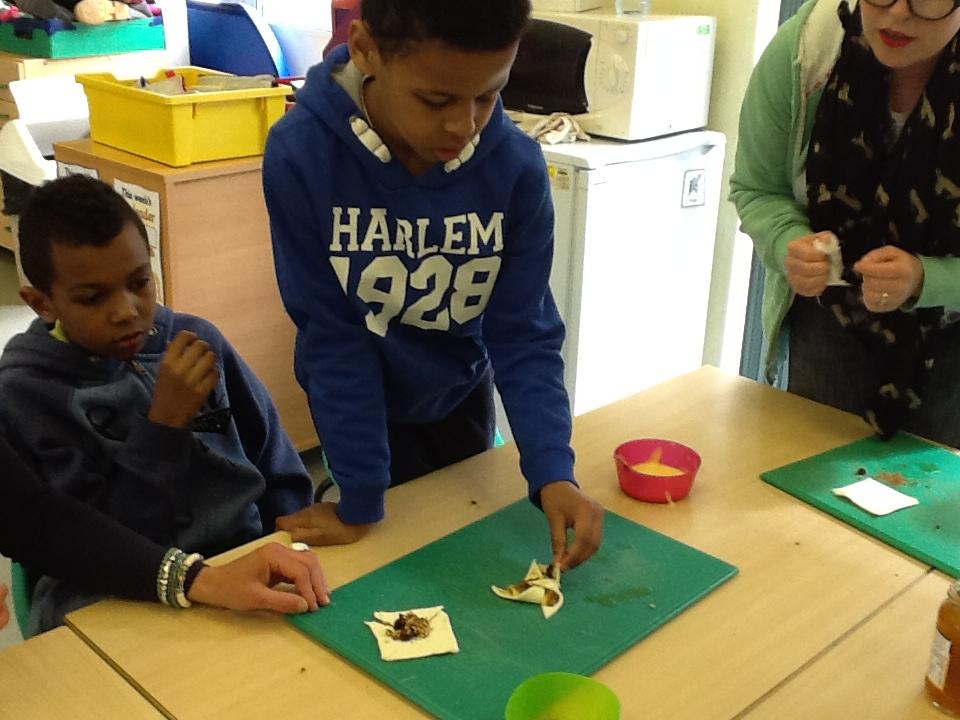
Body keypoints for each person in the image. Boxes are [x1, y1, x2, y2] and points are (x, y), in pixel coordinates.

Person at [263, 0, 604, 569]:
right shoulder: (301, 154)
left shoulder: (517, 168)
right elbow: (333, 337)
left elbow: (523, 335)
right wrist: (360, 498)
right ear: (365, 49)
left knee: (455, 549)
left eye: (488, 95)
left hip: (459, 395)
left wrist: (553, 473)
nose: (463, 126)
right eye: (435, 100)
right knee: (379, 559)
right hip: (355, 399)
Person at [0, 175, 320, 633]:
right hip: (112, 594)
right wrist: (163, 428)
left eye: (139, 282)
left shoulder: (197, 340)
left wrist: (292, 536)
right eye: (92, 298)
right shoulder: (26, 396)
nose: (126, 310)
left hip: (241, 562)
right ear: (41, 304)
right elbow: (91, 544)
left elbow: (272, 453)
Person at [730, 0, 960, 447]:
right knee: (807, 474)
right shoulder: (808, 50)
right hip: (832, 320)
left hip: (950, 336)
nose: (898, 13)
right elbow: (757, 188)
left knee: (930, 487)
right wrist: (790, 242)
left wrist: (926, 278)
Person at [0, 434, 329, 635]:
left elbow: (34, 517)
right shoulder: (24, 390)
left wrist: (202, 580)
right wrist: (161, 430)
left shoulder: (210, 349)